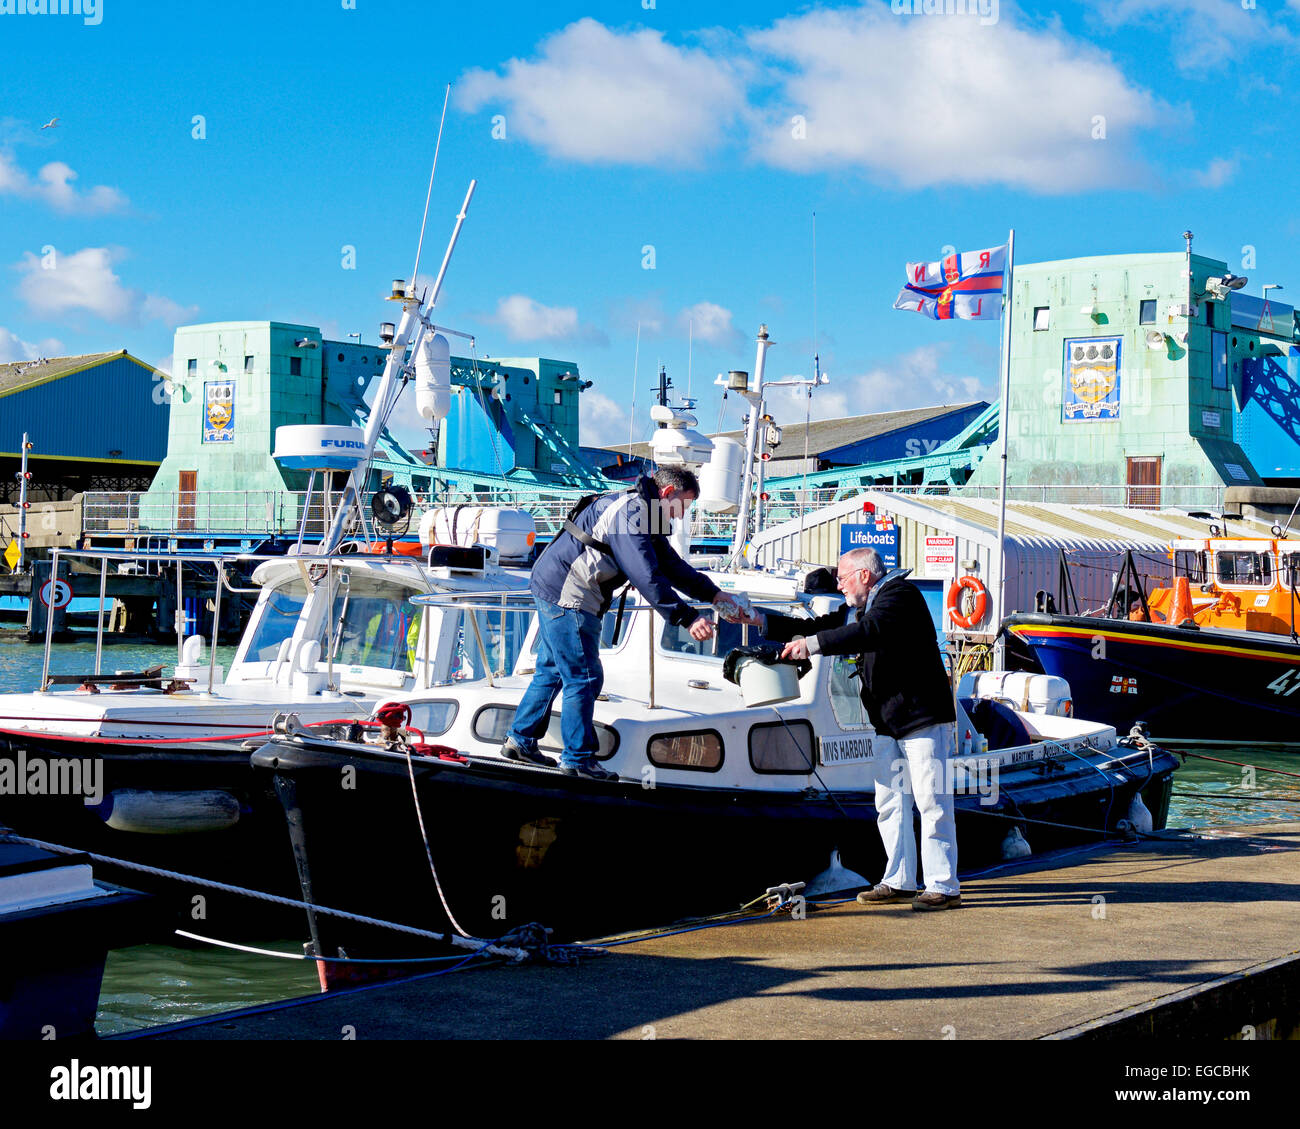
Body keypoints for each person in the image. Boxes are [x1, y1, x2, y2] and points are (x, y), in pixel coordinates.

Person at [745, 547, 961, 910]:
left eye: (843, 578)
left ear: (864, 575)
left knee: (931, 801)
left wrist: (810, 646)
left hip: (921, 718)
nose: (840, 586)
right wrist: (758, 620)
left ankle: (944, 886)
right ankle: (900, 880)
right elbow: (818, 628)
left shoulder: (899, 597)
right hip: (888, 720)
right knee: (890, 802)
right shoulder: (865, 606)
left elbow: (870, 632)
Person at [503, 467, 742, 780]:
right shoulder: (633, 514)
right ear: (668, 494)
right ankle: (577, 760)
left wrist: (713, 594)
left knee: (552, 671)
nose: (682, 516)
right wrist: (687, 617)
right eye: (683, 506)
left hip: (554, 583)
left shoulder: (647, 508)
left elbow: (669, 564)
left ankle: (520, 741)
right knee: (585, 677)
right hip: (569, 593)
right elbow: (645, 575)